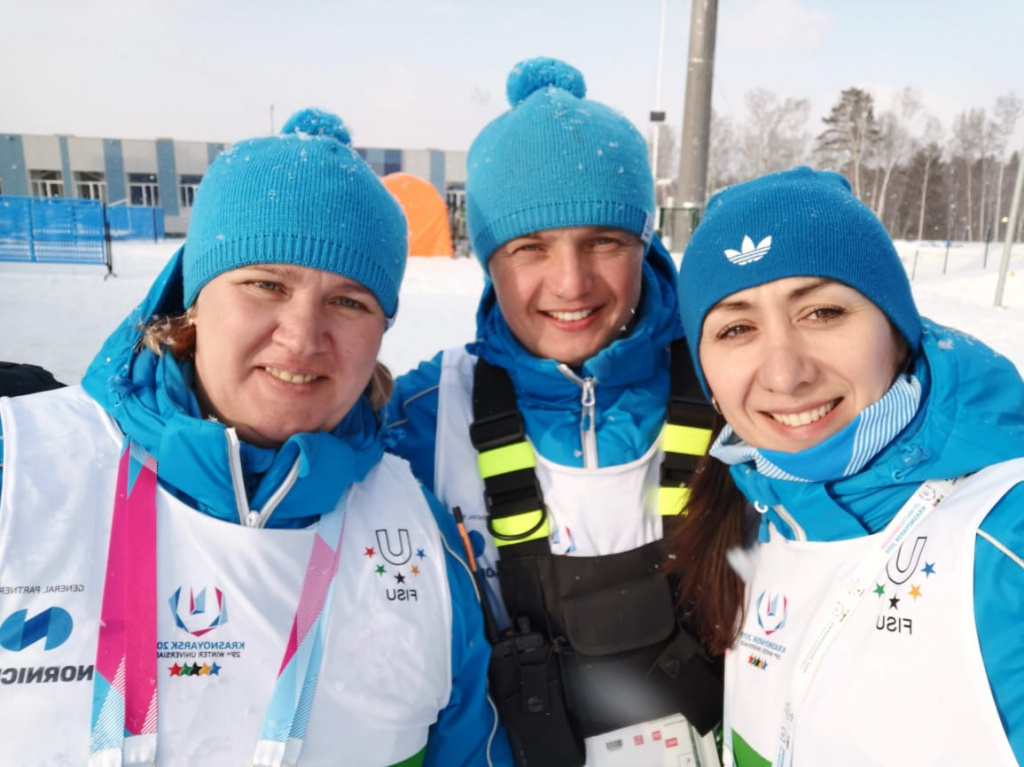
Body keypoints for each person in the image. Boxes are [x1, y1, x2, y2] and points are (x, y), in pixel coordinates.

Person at [0, 108, 510, 767]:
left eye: (349, 301)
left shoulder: (419, 536)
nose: (302, 337)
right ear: (192, 299)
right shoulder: (23, 468)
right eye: (266, 284)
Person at [385, 58, 722, 767]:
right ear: (488, 261)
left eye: (604, 240)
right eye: (530, 247)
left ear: (645, 244)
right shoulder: (423, 415)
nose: (571, 283)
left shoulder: (735, 386)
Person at [674, 166, 1024, 766]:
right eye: (737, 328)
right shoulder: (758, 516)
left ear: (897, 330)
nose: (785, 374)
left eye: (823, 313)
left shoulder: (1007, 536)